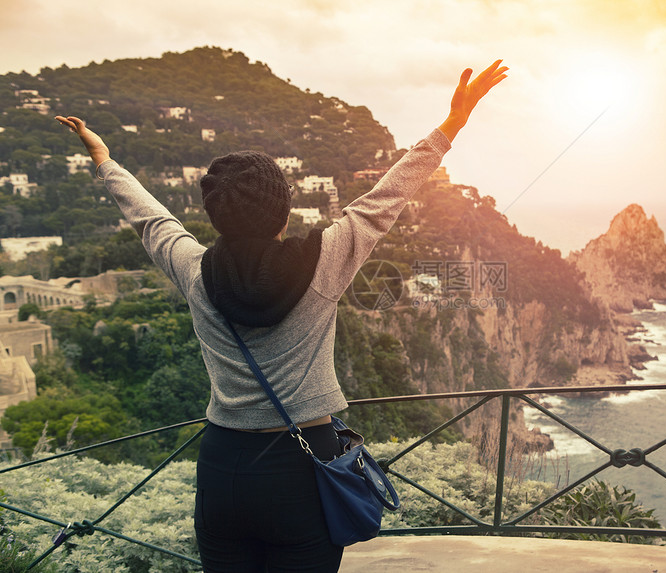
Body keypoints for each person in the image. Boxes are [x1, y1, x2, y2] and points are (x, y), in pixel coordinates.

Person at [56, 59, 507, 572]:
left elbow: (151, 220)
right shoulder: (326, 259)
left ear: (215, 212)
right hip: (303, 464)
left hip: (222, 465)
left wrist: (104, 159)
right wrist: (451, 125)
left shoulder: (194, 269)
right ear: (283, 209)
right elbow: (386, 197)